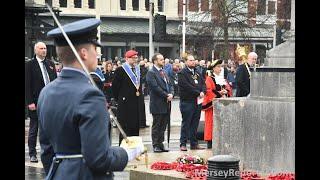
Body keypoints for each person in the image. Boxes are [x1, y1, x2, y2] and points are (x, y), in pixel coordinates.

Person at [37, 18, 143, 179]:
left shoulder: (46, 92)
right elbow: (99, 158)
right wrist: (127, 153)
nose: (98, 53)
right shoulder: (90, 94)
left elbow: (46, 151)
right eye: (95, 48)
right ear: (84, 53)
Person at [25, 42, 57, 163]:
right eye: (41, 48)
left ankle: (51, 151)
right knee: (34, 128)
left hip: (51, 102)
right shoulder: (29, 65)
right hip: (36, 102)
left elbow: (55, 82)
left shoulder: (50, 64)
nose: (44, 50)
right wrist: (30, 102)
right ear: (35, 50)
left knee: (51, 127)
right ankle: (32, 153)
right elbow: (27, 85)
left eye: (45, 48)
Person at [112, 49, 147, 145]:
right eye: (133, 58)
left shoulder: (137, 69)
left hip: (136, 103)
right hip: (125, 104)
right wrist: (119, 99)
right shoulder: (120, 70)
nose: (136, 60)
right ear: (127, 58)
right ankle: (123, 148)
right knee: (125, 128)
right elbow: (115, 88)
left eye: (136, 57)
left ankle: (134, 149)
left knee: (135, 128)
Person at [146, 53, 174, 153]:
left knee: (163, 125)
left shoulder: (164, 71)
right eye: (161, 59)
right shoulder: (151, 72)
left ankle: (161, 143)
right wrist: (166, 95)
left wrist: (171, 94)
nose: (163, 61)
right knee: (157, 125)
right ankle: (155, 145)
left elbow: (170, 84)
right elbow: (155, 88)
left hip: (166, 103)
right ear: (155, 61)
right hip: (157, 103)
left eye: (163, 59)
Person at [178, 54, 206, 151]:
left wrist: (203, 91)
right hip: (187, 102)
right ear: (186, 62)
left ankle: (194, 143)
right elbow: (187, 86)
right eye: (190, 60)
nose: (193, 62)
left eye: (194, 60)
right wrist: (198, 92)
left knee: (195, 123)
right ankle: (183, 143)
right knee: (186, 123)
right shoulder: (182, 73)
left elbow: (203, 83)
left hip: (197, 102)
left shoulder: (197, 72)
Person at [202, 60, 232, 149]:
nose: (220, 69)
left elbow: (229, 89)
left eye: (221, 67)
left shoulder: (223, 79)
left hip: (222, 106)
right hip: (213, 107)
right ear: (213, 68)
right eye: (218, 67)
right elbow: (209, 91)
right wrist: (219, 93)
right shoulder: (209, 78)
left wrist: (226, 91)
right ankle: (210, 143)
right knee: (211, 124)